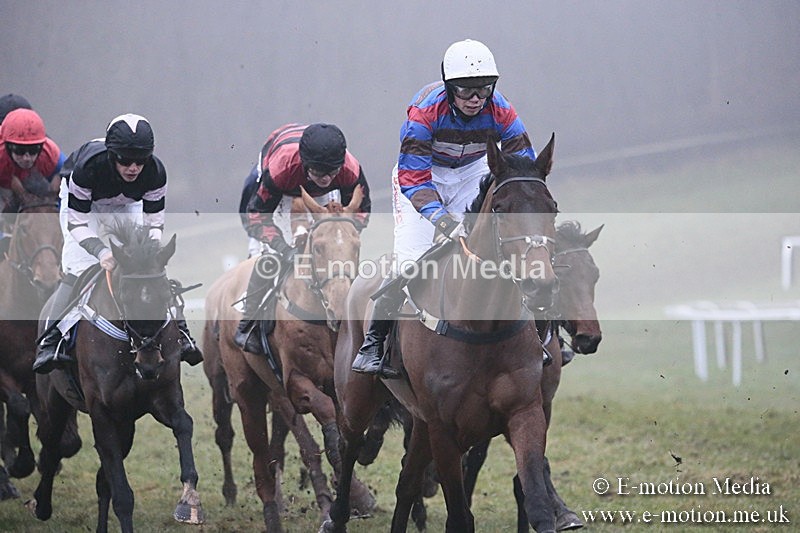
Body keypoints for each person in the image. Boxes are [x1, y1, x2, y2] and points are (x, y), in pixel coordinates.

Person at [351, 38, 538, 377]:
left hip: (472, 173)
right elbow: (413, 178)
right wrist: (441, 219)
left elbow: (524, 160)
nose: (476, 99)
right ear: (450, 88)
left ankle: (536, 336)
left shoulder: (501, 109)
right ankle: (374, 343)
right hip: (424, 175)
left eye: (483, 89)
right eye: (466, 91)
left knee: (504, 249)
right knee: (410, 260)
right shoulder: (424, 113)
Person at [33, 113, 202, 373]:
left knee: (149, 270)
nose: (134, 167)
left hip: (126, 203)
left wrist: (148, 257)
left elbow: (154, 225)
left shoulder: (155, 172)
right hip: (83, 204)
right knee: (78, 268)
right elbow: (77, 224)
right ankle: (51, 340)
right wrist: (100, 252)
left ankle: (181, 331)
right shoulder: (88, 167)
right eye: (126, 160)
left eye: (140, 161)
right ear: (113, 156)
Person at [235, 123, 371, 353]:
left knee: (335, 253)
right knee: (272, 258)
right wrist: (282, 247)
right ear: (307, 165)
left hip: (317, 192)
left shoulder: (349, 169)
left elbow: (362, 210)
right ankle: (248, 323)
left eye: (332, 173)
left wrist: (340, 231)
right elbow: (256, 216)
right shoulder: (281, 169)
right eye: (320, 173)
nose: (327, 179)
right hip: (281, 190)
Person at [0, 107, 65, 256]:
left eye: (34, 149)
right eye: (20, 151)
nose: (27, 158)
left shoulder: (51, 154)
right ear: (7, 147)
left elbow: (71, 187)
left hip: (32, 183)